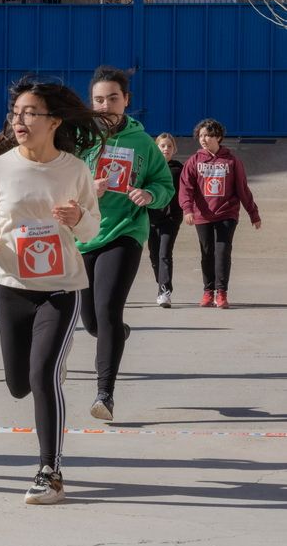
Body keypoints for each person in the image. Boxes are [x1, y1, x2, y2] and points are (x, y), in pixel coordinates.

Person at [0, 78, 104, 505]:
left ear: (53, 121)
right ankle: (45, 371)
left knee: (43, 375)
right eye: (16, 113)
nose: (20, 120)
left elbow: (92, 228)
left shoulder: (74, 169)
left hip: (60, 289)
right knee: (18, 385)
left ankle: (51, 470)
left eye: (30, 113)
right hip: (11, 287)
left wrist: (77, 215)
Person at [77, 66, 174, 421]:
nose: (106, 105)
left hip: (124, 232)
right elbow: (57, 180)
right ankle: (117, 333)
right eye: (99, 99)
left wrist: (149, 193)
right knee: (92, 323)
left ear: (126, 100)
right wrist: (88, 186)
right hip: (83, 235)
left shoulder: (143, 142)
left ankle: (105, 394)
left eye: (113, 98)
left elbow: (164, 184)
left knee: (107, 311)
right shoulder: (78, 138)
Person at [178, 119, 261, 309]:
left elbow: (242, 189)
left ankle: (221, 293)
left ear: (218, 137)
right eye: (200, 136)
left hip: (227, 213)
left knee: (222, 252)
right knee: (207, 253)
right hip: (202, 215)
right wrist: (187, 209)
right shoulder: (194, 161)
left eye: (207, 135)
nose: (203, 139)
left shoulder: (231, 161)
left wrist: (253, 213)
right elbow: (186, 188)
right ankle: (208, 292)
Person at [147, 133, 183, 308]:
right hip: (150, 217)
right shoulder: (150, 168)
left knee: (164, 254)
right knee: (154, 256)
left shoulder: (179, 169)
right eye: (162, 146)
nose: (166, 149)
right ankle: (161, 282)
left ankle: (164, 291)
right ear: (156, 148)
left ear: (174, 149)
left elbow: (188, 191)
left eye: (169, 146)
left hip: (171, 217)